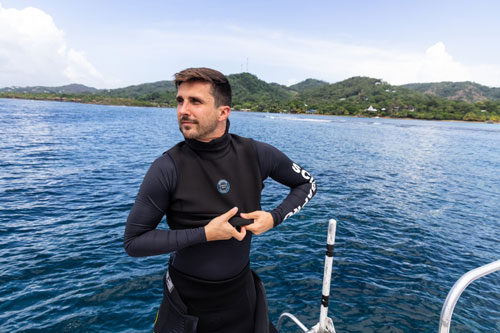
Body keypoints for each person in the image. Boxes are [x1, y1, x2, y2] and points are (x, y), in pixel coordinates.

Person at [124, 67, 316, 333]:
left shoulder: (256, 154)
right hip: (187, 304)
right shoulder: (167, 167)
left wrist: (275, 216)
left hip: (241, 298)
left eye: (196, 101)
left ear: (223, 112)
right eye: (180, 101)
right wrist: (205, 234)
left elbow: (307, 184)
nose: (183, 110)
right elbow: (134, 242)